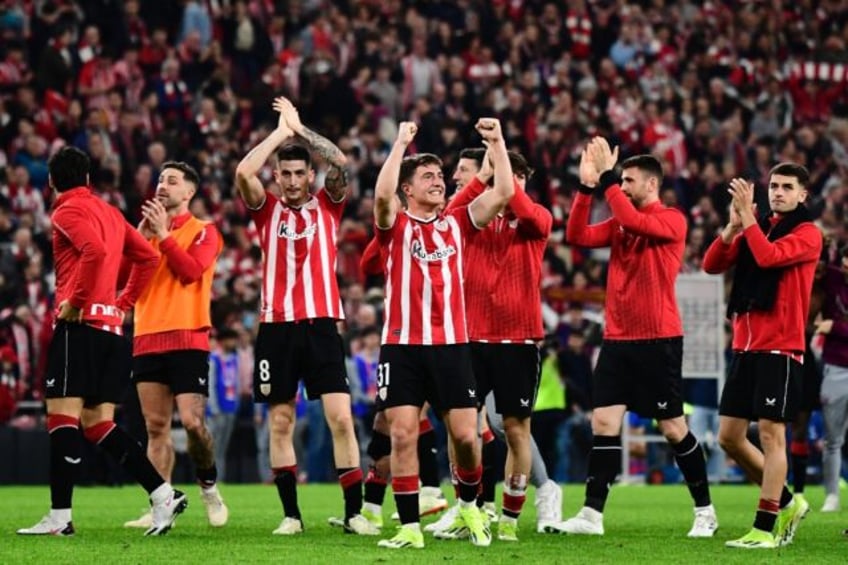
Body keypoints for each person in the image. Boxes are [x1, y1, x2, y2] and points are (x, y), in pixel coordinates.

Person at [18, 146, 186, 537]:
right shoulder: (110, 212)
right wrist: (122, 305)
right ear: (89, 180)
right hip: (111, 331)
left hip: (80, 329)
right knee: (97, 424)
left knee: (61, 419)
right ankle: (163, 494)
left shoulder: (65, 211)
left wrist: (76, 303)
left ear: (51, 182)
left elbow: (92, 251)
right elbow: (147, 256)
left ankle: (60, 517)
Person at [561, 138, 718, 537]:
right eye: (622, 180)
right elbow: (576, 235)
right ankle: (592, 515)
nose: (623, 186)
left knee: (672, 427)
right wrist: (585, 186)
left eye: (629, 180)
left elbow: (633, 221)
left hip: (658, 339)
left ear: (652, 185)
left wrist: (608, 180)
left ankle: (705, 511)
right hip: (617, 338)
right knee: (604, 421)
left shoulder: (672, 219)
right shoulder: (619, 220)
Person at [235, 97, 375, 536]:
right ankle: (291, 516)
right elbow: (242, 173)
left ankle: (354, 514)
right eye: (286, 173)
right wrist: (279, 135)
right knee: (281, 421)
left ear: (309, 176)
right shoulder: (265, 210)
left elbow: (340, 160)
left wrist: (300, 130)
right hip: (275, 329)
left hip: (321, 325)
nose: (294, 181)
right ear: (275, 176)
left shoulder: (328, 207)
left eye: (300, 173)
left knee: (339, 417)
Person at [372, 118, 514, 549]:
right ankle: (410, 527)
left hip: (452, 346)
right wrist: (399, 144)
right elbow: (381, 195)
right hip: (401, 347)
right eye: (428, 177)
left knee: (467, 438)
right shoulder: (394, 227)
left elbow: (505, 193)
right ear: (408, 190)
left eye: (440, 176)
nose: (438, 181)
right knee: (401, 434)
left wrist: (498, 142)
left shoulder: (457, 223)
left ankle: (470, 503)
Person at [432, 146, 562, 541]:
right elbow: (445, 217)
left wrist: (502, 171)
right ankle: (467, 509)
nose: (510, 184)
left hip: (518, 340)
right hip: (469, 339)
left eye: (517, 178)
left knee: (516, 428)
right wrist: (482, 179)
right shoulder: (471, 220)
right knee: (462, 429)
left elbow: (518, 203)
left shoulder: (537, 217)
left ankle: (508, 518)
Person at [703, 163, 822, 548]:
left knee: (772, 436)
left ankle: (765, 527)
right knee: (729, 438)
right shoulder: (759, 228)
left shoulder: (808, 233)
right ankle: (788, 502)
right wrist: (735, 226)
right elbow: (712, 264)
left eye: (787, 187)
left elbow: (769, 258)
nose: (778, 192)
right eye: (773, 186)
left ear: (803, 195)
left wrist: (749, 221)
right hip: (745, 345)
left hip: (780, 347)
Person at [122, 160, 227, 530]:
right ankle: (160, 504)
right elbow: (119, 278)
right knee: (155, 428)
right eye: (160, 179)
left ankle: (208, 485)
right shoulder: (145, 234)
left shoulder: (205, 231)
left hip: (187, 337)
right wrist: (138, 235)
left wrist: (164, 235)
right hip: (147, 336)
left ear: (189, 192)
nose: (162, 185)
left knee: (194, 424)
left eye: (172, 180)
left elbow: (189, 272)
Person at [816, 244, 848, 513]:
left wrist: (835, 327)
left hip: (837, 360)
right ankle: (832, 495)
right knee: (832, 438)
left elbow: (832, 325)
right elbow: (814, 269)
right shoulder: (832, 277)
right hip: (835, 367)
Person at [207, 328, 241, 482]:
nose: (233, 343)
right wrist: (214, 408)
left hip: (230, 407)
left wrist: (237, 403)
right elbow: (211, 385)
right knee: (214, 447)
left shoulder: (234, 359)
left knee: (223, 447)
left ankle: (220, 478)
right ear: (223, 341)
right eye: (230, 339)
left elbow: (237, 383)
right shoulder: (214, 359)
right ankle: (212, 479)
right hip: (217, 410)